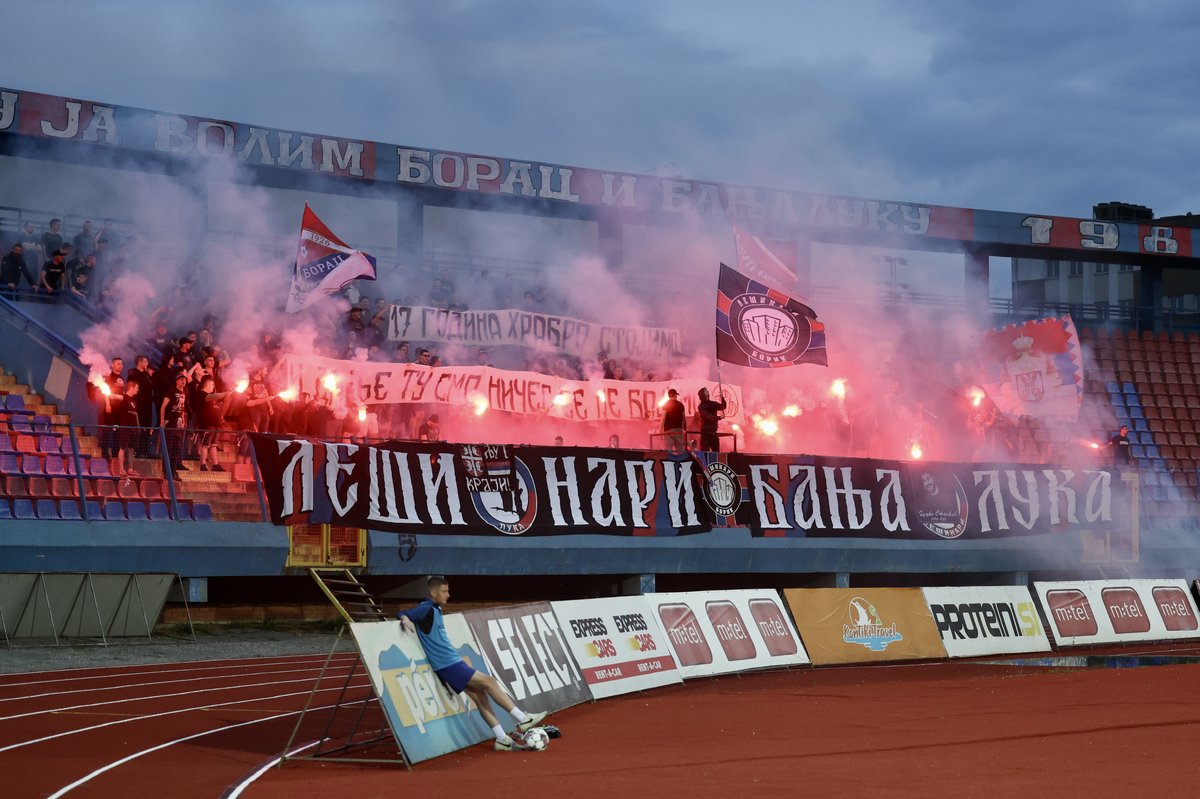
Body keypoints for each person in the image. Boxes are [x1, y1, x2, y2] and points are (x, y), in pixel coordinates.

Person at [397, 576, 547, 751]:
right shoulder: (427, 608)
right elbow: (407, 613)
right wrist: (404, 617)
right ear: (433, 592)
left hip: (450, 664)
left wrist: (405, 616)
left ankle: (501, 739)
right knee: (489, 681)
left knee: (480, 697)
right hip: (449, 665)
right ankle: (523, 718)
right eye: (444, 591)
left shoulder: (434, 609)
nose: (448, 594)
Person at [696, 387, 727, 452]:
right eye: (705, 390)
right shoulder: (701, 406)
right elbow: (708, 417)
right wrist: (719, 417)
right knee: (705, 453)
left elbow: (723, 406)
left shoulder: (712, 403)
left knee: (716, 453)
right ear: (702, 394)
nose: (707, 391)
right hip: (705, 433)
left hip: (713, 433)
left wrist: (722, 398)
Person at [660, 388, 686, 454]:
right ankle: (681, 463)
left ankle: (669, 463)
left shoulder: (665, 405)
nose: (676, 396)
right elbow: (684, 420)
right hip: (678, 431)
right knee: (680, 451)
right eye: (676, 395)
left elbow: (663, 419)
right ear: (674, 395)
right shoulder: (680, 405)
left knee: (669, 452)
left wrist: (660, 431)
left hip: (668, 431)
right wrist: (684, 430)